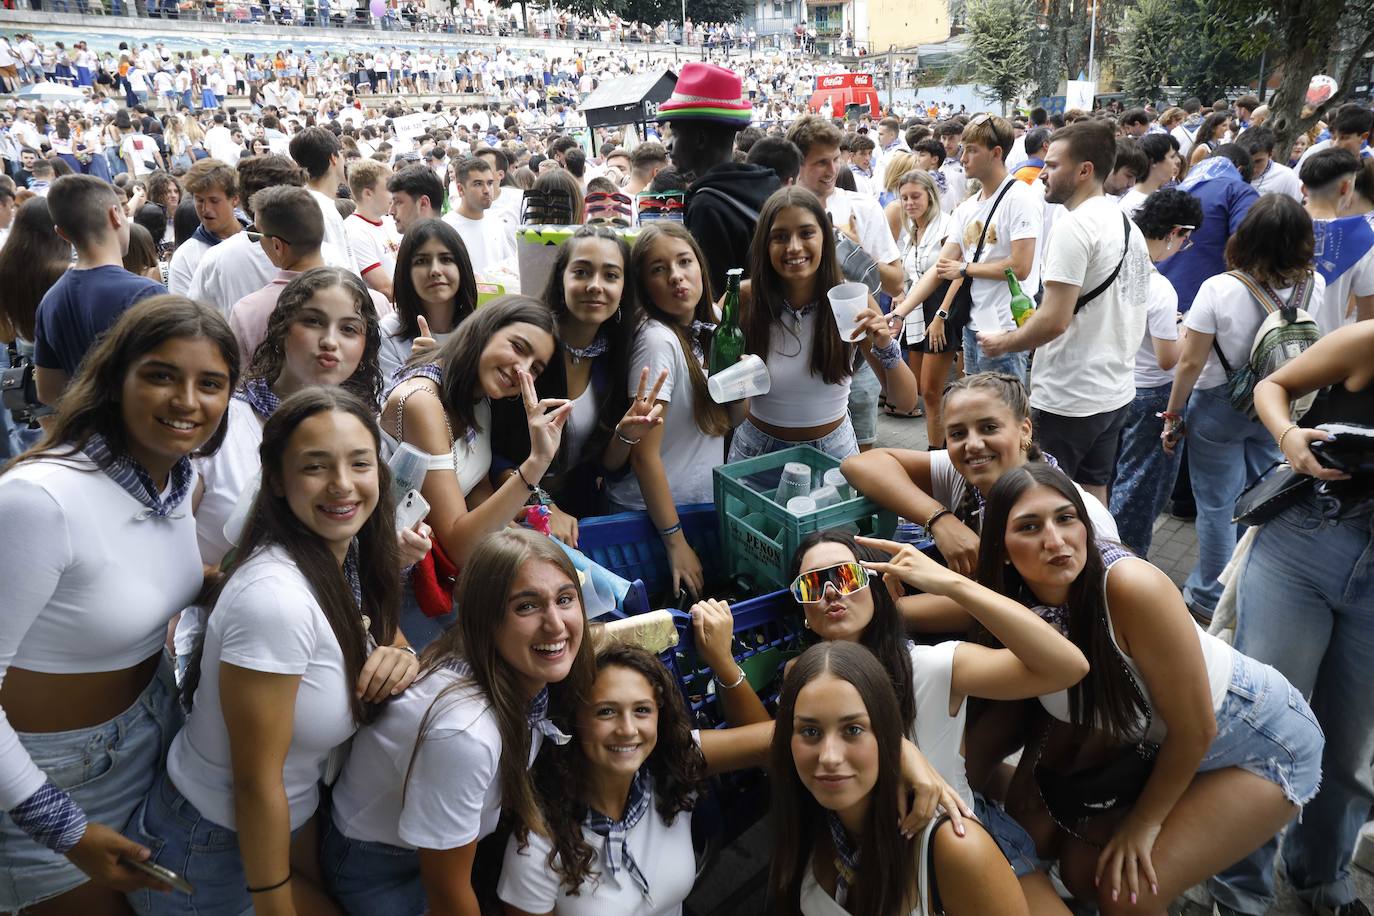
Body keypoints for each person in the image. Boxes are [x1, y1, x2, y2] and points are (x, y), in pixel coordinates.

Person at [127, 387, 417, 916]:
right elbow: (256, 782)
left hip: (284, 823)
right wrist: (274, 904)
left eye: (359, 463)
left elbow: (375, 633)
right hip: (212, 851)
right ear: (278, 481)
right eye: (315, 467)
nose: (343, 485)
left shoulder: (342, 561)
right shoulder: (274, 601)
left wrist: (403, 655)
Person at [985, 463, 1323, 916]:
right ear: (1003, 551)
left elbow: (1195, 729)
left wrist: (1143, 825)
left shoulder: (1128, 586)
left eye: (1066, 518)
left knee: (1127, 891)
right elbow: (956, 616)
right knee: (1084, 871)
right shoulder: (1023, 605)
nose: (1055, 539)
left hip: (1261, 741)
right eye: (1029, 527)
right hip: (1161, 745)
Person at [0, 296, 237, 914]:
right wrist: (61, 826)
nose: (187, 401)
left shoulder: (172, 478)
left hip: (155, 731)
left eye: (210, 383)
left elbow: (146, 582)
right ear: (116, 380)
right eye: (161, 375)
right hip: (45, 777)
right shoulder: (39, 501)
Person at [322, 527, 595, 914]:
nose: (555, 624)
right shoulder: (466, 733)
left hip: (441, 848)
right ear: (487, 621)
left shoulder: (513, 669)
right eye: (526, 606)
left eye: (565, 599)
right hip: (380, 868)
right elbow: (448, 895)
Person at [1212, 320, 1374, 916]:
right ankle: (1238, 893)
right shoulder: (1370, 339)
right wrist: (1289, 438)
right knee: (1265, 726)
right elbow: (1271, 386)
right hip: (1309, 539)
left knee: (1352, 747)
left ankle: (1323, 879)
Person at [498, 643, 773, 914]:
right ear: (574, 720)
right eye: (606, 711)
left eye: (642, 710)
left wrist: (725, 662)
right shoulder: (535, 846)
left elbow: (780, 740)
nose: (628, 730)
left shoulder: (671, 763)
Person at [769, 640, 1030, 915]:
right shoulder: (808, 817)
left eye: (853, 730)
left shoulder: (958, 849)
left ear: (888, 734)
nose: (829, 757)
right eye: (810, 732)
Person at [1161, 195, 1326, 622]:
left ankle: (1207, 596)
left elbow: (1191, 362)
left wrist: (1174, 415)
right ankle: (1251, 581)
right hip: (1280, 405)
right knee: (1262, 496)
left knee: (1217, 506)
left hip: (1220, 406)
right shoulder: (1315, 284)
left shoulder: (1220, 288)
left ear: (1246, 237)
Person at [977, 119, 1153, 504]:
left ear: (1085, 170)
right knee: (1092, 496)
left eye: (1053, 166)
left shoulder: (1075, 228)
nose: (1043, 174)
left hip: (1069, 396)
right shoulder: (1125, 224)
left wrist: (1003, 343)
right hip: (1113, 392)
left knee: (1041, 495)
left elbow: (1055, 319)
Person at [380, 296, 564, 642]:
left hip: (445, 579)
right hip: (396, 592)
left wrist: (511, 524)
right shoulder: (423, 403)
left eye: (535, 367)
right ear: (484, 330)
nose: (522, 369)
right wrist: (534, 465)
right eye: (517, 347)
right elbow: (458, 545)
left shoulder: (478, 397)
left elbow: (475, 487)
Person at [842, 372, 1119, 579]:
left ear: (1024, 430)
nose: (973, 444)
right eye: (958, 434)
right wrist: (940, 519)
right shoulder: (961, 475)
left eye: (989, 428)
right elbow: (859, 465)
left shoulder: (1081, 515)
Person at [728, 186, 915, 462]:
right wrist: (735, 382)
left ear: (825, 239)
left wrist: (885, 344)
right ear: (763, 244)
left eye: (806, 233)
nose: (794, 247)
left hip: (833, 456)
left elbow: (905, 401)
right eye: (779, 237)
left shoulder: (852, 300)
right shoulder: (743, 298)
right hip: (757, 455)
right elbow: (730, 415)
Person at [492, 225, 660, 530]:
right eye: (582, 272)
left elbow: (605, 467)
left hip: (579, 515)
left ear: (624, 288)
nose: (595, 286)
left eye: (610, 275)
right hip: (508, 512)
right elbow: (494, 452)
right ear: (561, 279)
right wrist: (542, 504)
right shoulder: (531, 351)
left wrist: (625, 436)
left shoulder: (618, 357)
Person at [604, 223, 739, 597]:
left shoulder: (705, 326)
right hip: (651, 521)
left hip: (689, 510)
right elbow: (644, 456)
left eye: (684, 262)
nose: (676, 277)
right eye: (658, 269)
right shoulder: (657, 340)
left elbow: (718, 426)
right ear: (643, 284)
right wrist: (675, 542)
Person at [895, 114, 1042, 382]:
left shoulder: (1020, 198)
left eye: (972, 150)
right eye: (963, 149)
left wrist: (964, 269)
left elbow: (1021, 267)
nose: (962, 158)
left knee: (1003, 412)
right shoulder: (967, 207)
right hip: (974, 326)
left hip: (1007, 327)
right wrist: (899, 313)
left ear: (996, 153)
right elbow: (941, 267)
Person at [1107, 190, 1200, 556]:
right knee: (1142, 487)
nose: (1183, 247)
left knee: (1113, 477)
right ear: (1175, 231)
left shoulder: (1114, 266)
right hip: (1152, 393)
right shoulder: (1159, 287)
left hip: (1117, 383)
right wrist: (1186, 332)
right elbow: (1167, 358)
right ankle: (1125, 560)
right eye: (1185, 240)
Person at [34, 174, 166, 408]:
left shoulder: (50, 300)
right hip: (140, 435)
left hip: (87, 434)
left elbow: (47, 391)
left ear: (61, 233)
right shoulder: (147, 294)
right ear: (116, 215)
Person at [227, 185, 391, 366]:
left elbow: (241, 384)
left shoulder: (248, 312)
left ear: (277, 246)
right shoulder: (375, 301)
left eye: (257, 233)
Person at [660, 61, 780, 297]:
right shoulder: (768, 183)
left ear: (700, 138)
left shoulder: (706, 205)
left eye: (674, 133)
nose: (668, 143)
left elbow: (713, 296)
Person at [1158, 144, 1258, 313]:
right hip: (1201, 304)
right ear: (1240, 170)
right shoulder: (1238, 191)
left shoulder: (1177, 188)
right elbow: (1249, 246)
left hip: (1157, 295)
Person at [888, 170, 951, 431]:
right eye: (904, 198)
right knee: (920, 389)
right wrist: (900, 293)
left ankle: (942, 449)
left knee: (931, 390)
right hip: (915, 310)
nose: (909, 203)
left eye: (915, 196)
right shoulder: (912, 230)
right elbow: (907, 270)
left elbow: (957, 273)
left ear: (930, 196)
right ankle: (935, 449)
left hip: (939, 308)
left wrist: (942, 315)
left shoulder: (946, 225)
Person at [379, 218, 479, 382]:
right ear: (406, 273)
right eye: (422, 261)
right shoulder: (388, 333)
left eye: (446, 259)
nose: (435, 270)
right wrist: (420, 372)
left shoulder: (480, 330)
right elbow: (388, 404)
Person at [1301, 148, 1374, 333]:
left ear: (1304, 189)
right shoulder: (1364, 237)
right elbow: (1367, 318)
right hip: (1326, 353)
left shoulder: (1273, 223)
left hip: (1269, 350)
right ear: (1345, 187)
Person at [167, 158, 242, 296]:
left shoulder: (259, 240)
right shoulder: (185, 257)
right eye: (199, 200)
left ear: (235, 199)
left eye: (214, 201)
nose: (205, 209)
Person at [444, 155, 517, 275]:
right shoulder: (447, 228)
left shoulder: (496, 223)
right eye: (478, 184)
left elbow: (508, 263)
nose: (487, 190)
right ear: (460, 189)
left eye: (489, 183)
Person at [346, 158, 398, 302]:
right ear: (368, 193)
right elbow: (385, 288)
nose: (394, 194)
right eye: (389, 188)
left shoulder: (390, 222)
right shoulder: (354, 230)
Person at [1117, 134, 1181, 218]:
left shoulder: (1159, 197)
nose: (1178, 161)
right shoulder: (1130, 205)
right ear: (1153, 162)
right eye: (1172, 157)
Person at [1239, 126, 1303, 203]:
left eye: (1258, 161)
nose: (1252, 167)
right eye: (1246, 161)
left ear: (1270, 154)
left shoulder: (1286, 177)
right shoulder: (1231, 173)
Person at [389, 163, 446, 235]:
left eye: (398, 202)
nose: (391, 211)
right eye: (391, 202)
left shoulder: (440, 244)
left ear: (423, 203)